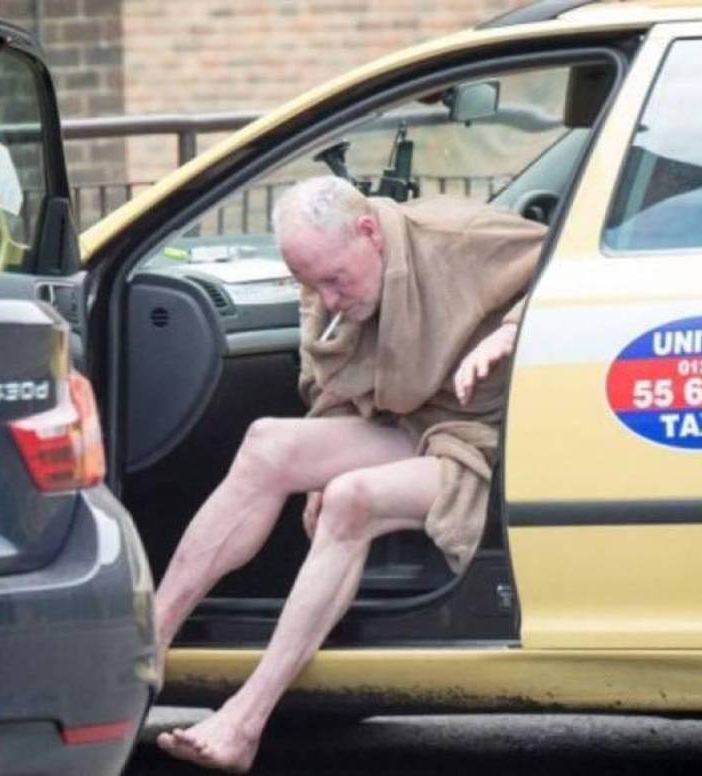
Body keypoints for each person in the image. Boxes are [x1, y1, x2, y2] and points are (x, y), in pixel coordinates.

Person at [155, 175, 547, 772]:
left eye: (336, 280)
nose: (328, 299)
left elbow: (569, 262)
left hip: (486, 440)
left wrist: (513, 331)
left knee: (351, 498)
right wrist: (317, 468)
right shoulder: (327, 284)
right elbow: (331, 386)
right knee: (267, 445)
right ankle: (148, 646)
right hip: (412, 425)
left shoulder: (456, 235)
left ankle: (243, 721)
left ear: (369, 232)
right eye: (312, 285)